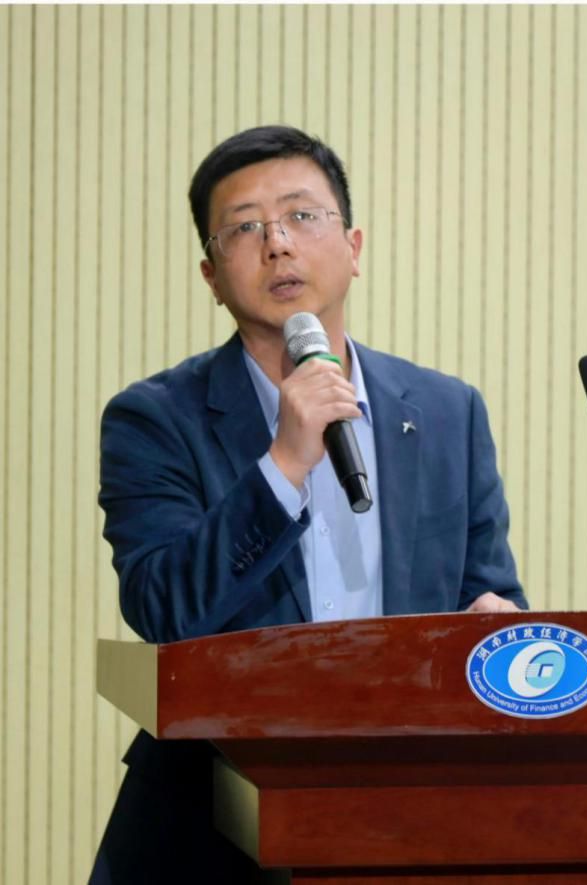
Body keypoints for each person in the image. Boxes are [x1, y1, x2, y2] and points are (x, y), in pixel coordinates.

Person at [90, 125, 526, 883]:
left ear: (353, 247)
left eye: (301, 215)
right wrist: (283, 463)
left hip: (408, 816)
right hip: (213, 824)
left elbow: (485, 595)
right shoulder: (154, 419)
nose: (279, 244)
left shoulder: (447, 410)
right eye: (245, 228)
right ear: (211, 276)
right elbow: (163, 608)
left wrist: (495, 623)